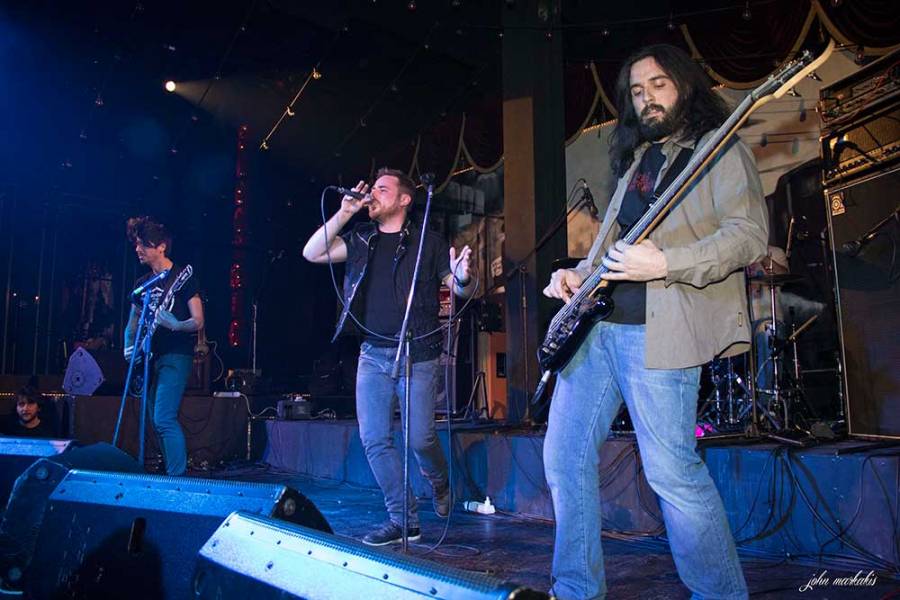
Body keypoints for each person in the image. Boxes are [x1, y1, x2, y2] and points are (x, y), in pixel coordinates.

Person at [542, 44, 768, 599]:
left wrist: (665, 263)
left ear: (685, 85)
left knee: (671, 472)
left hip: (660, 334)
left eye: (658, 85)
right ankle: (575, 589)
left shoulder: (719, 151)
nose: (647, 99)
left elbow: (747, 237)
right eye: (637, 91)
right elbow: (612, 250)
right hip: (597, 330)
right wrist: (577, 274)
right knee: (563, 458)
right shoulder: (635, 163)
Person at [302, 167, 475, 546]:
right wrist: (344, 213)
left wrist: (463, 276)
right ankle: (403, 519)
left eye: (382, 189)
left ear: (404, 199)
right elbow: (312, 252)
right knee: (375, 440)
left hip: (419, 352)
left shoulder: (428, 242)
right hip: (373, 353)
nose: (372, 194)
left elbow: (461, 288)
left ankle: (440, 480)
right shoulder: (362, 238)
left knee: (420, 439)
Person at [124, 216, 203, 476]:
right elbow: (132, 322)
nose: (138, 249)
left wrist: (176, 325)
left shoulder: (183, 277)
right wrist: (128, 346)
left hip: (176, 355)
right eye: (136, 244)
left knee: (163, 418)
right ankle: (170, 469)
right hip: (149, 357)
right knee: (153, 419)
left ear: (161, 247)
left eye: (143, 244)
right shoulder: (142, 285)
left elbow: (198, 321)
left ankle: (177, 478)